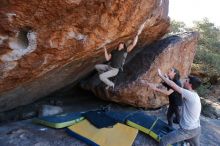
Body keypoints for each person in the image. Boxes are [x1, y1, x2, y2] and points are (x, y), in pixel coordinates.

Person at [155, 68, 202, 146]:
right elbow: (173, 85)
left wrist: (161, 75)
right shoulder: (194, 95)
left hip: (187, 130)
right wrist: (167, 78)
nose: (184, 81)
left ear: (190, 85)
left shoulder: (189, 95)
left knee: (163, 141)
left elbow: (173, 85)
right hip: (197, 129)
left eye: (186, 81)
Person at [95, 21, 146, 89]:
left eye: (122, 44)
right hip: (108, 67)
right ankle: (105, 76)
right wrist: (105, 49)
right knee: (97, 66)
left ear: (123, 46)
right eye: (120, 43)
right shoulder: (113, 51)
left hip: (114, 70)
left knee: (101, 77)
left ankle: (111, 84)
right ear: (118, 45)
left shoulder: (124, 52)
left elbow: (133, 44)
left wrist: (137, 35)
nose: (121, 44)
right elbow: (107, 58)